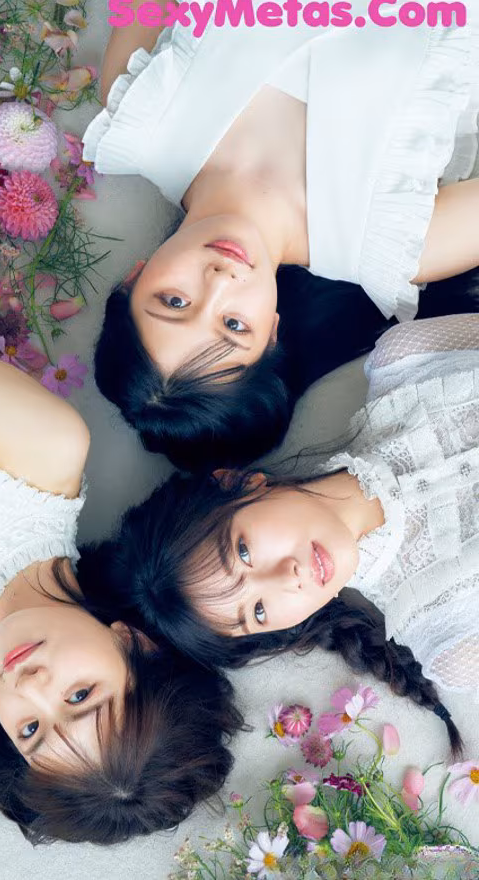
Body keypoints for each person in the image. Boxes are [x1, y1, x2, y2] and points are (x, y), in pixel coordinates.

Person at [0, 295, 243, 845]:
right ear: (133, 644)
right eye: (80, 696)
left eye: (30, 730)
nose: (30, 687)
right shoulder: (45, 452)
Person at [85, 0, 479, 469]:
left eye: (176, 301)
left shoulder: (137, 109)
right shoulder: (395, 244)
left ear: (132, 279)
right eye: (233, 325)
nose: (219, 282)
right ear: (272, 331)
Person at [79, 314, 479, 757]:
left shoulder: (407, 360)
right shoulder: (449, 636)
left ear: (237, 482)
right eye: (260, 611)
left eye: (244, 551)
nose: (288, 577)